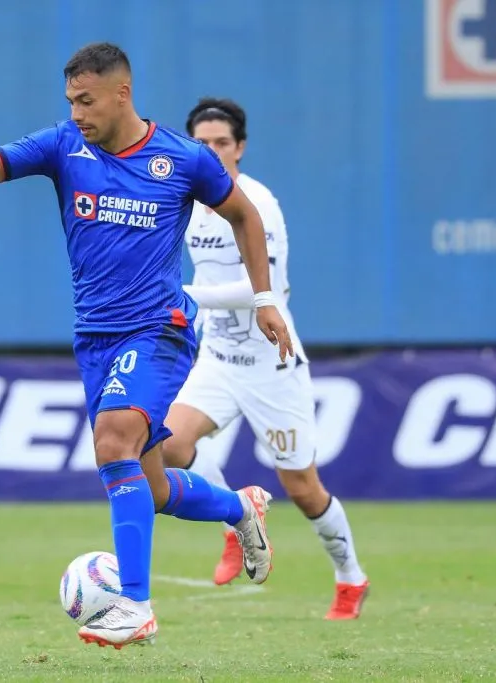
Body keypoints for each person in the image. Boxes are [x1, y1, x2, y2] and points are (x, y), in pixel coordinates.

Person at [0, 43, 294, 648]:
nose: (77, 112)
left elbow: (245, 217)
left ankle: (135, 605)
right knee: (153, 488)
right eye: (70, 102)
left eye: (86, 101)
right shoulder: (63, 146)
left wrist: (265, 301)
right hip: (96, 339)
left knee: (112, 439)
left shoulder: (183, 159)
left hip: (160, 329)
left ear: (121, 94)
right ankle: (242, 509)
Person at [162, 98, 369, 620]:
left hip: (271, 364)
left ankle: (350, 577)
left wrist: (187, 295)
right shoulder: (184, 199)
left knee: (302, 488)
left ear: (240, 148)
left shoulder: (257, 202)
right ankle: (238, 517)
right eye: (202, 143)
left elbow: (265, 288)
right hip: (218, 356)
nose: (212, 152)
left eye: (222, 143)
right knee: (166, 441)